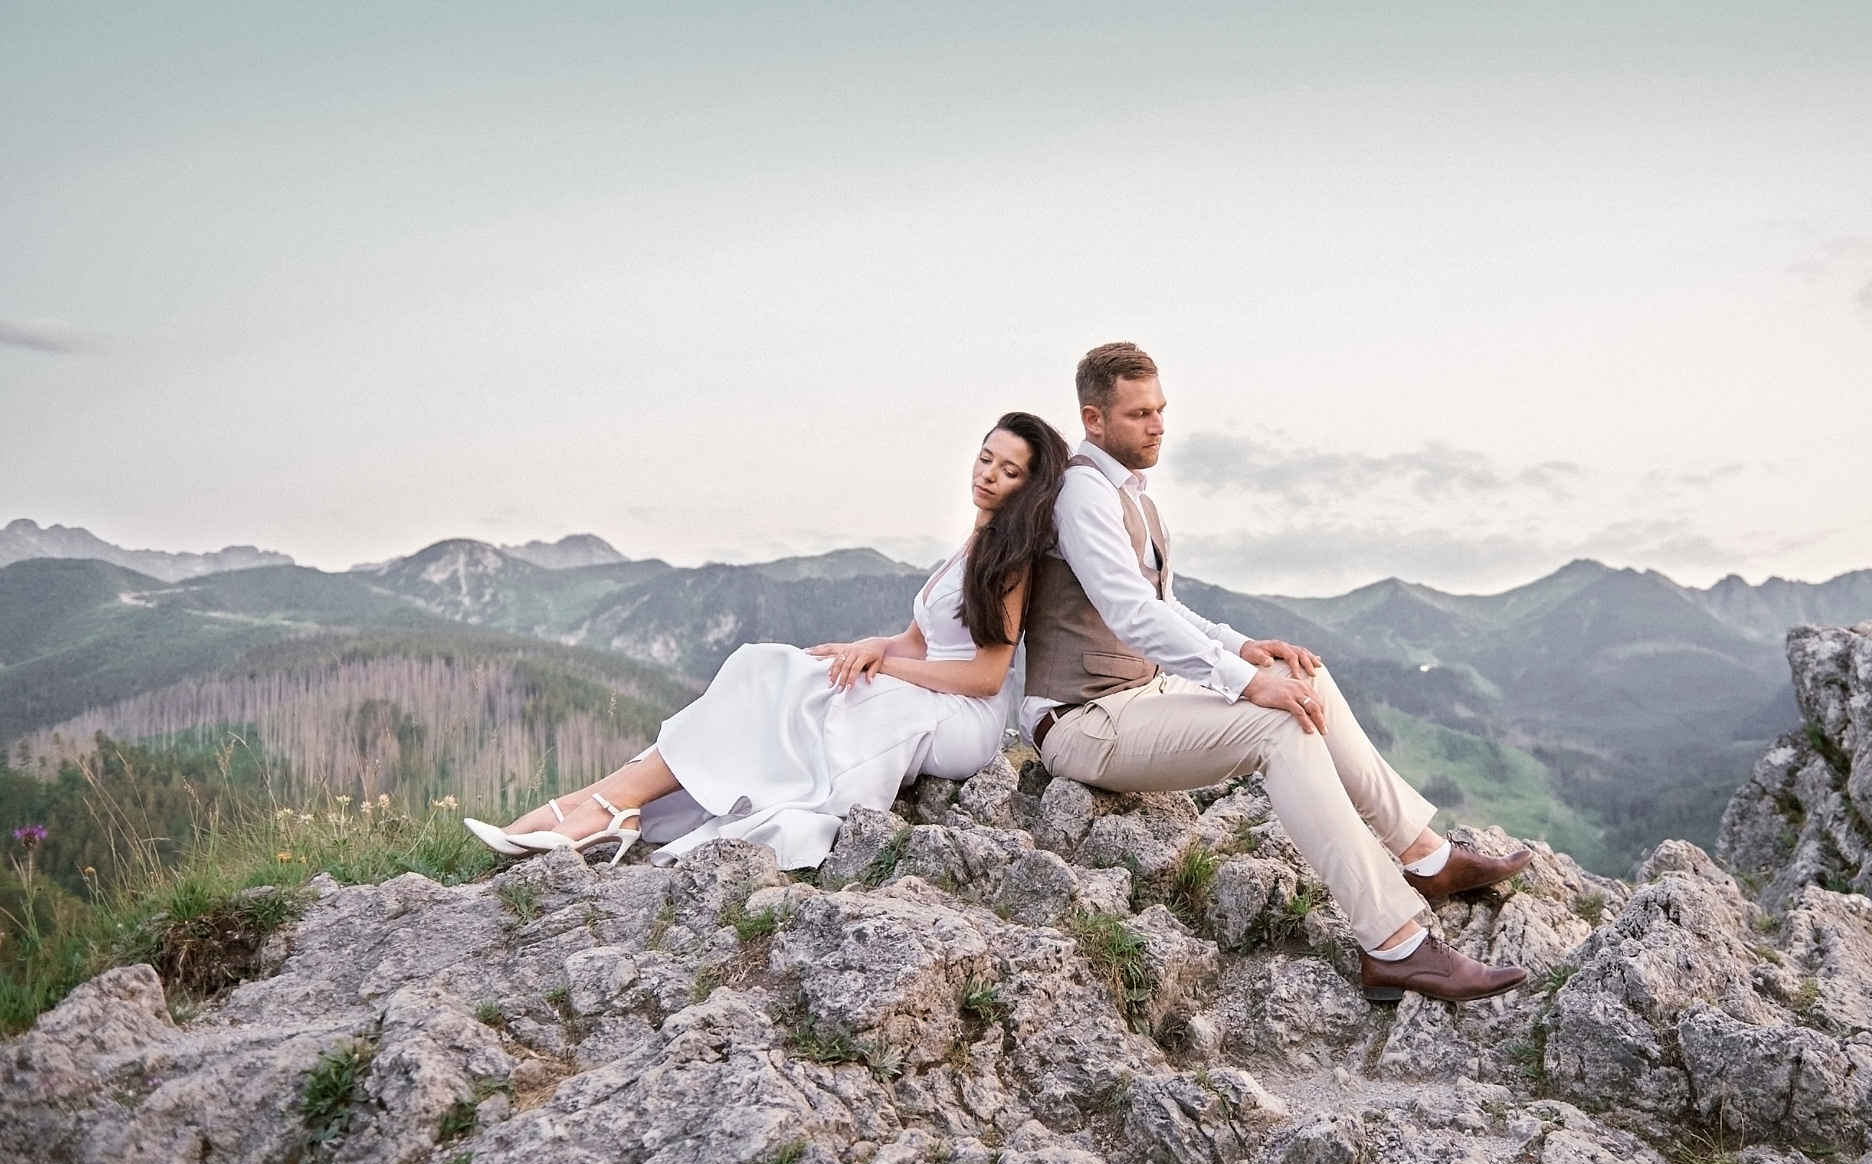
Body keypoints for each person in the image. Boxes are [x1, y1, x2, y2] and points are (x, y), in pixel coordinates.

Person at [1024, 343, 1533, 1004]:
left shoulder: (1134, 496)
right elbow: (1130, 616)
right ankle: (1395, 945)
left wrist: (1248, 651)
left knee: (1303, 679)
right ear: (1094, 420)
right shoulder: (1082, 496)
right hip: (1082, 719)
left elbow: (1165, 606)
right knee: (1279, 727)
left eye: (1161, 410)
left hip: (1139, 694)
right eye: (1139, 414)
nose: (1158, 426)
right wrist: (1243, 683)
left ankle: (1426, 857)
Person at [464, 412, 1069, 870]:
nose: (988, 474)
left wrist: (886, 670)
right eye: (986, 458)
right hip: (933, 691)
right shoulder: (971, 542)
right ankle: (610, 799)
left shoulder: (1011, 560)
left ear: (1028, 487)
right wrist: (867, 648)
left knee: (850, 695)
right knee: (775, 668)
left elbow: (986, 677)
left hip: (965, 719)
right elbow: (918, 639)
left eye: (1008, 471)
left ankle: (605, 807)